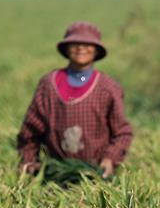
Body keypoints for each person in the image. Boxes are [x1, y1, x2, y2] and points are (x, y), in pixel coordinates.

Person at [17, 22, 133, 179]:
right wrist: (29, 161)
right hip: (56, 175)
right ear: (66, 48)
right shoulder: (48, 84)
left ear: (97, 50)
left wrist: (109, 159)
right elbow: (30, 131)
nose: (81, 48)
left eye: (87, 44)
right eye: (75, 44)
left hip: (97, 174)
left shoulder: (108, 87)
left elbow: (122, 133)